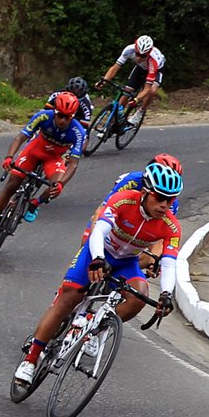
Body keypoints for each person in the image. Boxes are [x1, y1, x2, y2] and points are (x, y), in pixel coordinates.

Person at [12, 161, 184, 388]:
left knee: (139, 296)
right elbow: (99, 229)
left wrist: (165, 294)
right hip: (101, 250)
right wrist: (97, 259)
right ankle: (31, 359)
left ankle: (94, 326)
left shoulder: (171, 226)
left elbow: (170, 263)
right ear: (145, 192)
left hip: (126, 261)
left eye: (170, 200)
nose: (165, 205)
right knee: (68, 297)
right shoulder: (124, 199)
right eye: (159, 198)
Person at [0, 92, 86, 245]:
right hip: (34, 151)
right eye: (60, 115)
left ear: (73, 116)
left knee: (56, 186)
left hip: (54, 158)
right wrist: (9, 157)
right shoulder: (43, 116)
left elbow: (73, 163)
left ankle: (35, 203)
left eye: (67, 117)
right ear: (54, 112)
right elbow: (20, 138)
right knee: (12, 183)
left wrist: (62, 184)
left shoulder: (79, 132)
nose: (62, 120)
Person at [88, 153, 184, 276]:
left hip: (133, 239)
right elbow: (102, 212)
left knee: (146, 259)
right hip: (113, 221)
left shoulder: (171, 203)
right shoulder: (132, 181)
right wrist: (95, 253)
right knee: (90, 243)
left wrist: (154, 260)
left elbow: (159, 238)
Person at [95, 35, 164, 126]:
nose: (139, 58)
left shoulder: (153, 61)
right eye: (137, 54)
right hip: (140, 68)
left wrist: (136, 100)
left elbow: (147, 89)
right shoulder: (129, 49)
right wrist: (103, 81)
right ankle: (113, 121)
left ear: (148, 53)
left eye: (143, 56)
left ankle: (140, 112)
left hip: (156, 70)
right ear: (135, 48)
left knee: (152, 91)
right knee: (127, 90)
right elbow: (115, 68)